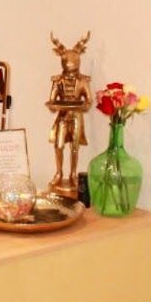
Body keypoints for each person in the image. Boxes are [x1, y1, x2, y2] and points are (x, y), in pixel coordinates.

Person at [46, 32, 92, 200]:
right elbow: (52, 101)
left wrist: (84, 106)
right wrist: (53, 106)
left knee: (74, 146)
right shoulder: (57, 81)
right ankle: (59, 173)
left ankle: (73, 173)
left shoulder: (83, 81)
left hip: (77, 117)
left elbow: (89, 101)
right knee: (58, 145)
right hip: (63, 117)